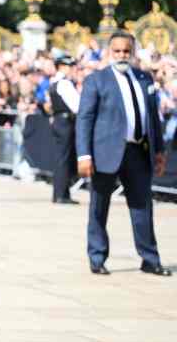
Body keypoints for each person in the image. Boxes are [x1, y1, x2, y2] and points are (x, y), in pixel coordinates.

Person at [76, 31, 171, 276]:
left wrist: (159, 151)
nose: (121, 56)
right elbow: (85, 118)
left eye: (126, 51)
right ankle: (97, 257)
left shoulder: (144, 78)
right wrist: (84, 155)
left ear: (133, 52)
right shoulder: (97, 80)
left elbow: (153, 118)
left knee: (142, 207)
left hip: (138, 151)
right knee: (99, 206)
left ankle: (150, 259)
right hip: (105, 153)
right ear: (110, 52)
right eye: (117, 51)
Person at [48, 56, 81, 204]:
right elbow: (77, 106)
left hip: (59, 121)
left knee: (61, 157)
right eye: (70, 66)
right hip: (66, 122)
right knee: (64, 158)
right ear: (62, 67)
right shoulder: (65, 84)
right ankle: (62, 194)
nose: (72, 69)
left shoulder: (54, 82)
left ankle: (60, 193)